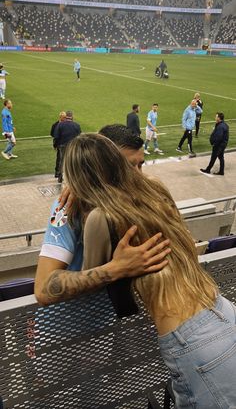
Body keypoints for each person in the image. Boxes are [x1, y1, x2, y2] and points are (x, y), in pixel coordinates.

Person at [63, 133, 236, 409]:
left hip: (191, 340)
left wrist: (113, 265)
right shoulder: (154, 189)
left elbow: (91, 286)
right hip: (221, 309)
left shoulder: (100, 217)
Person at [35, 126, 170, 306]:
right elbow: (43, 289)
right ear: (102, 165)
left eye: (141, 164)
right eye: (128, 166)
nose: (139, 176)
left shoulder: (141, 196)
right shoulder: (67, 207)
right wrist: (117, 268)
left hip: (116, 318)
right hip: (67, 325)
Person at [53, 110, 81, 183]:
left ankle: (60, 177)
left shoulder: (60, 125)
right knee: (73, 160)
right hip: (73, 146)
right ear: (72, 116)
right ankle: (74, 177)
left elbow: (56, 136)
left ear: (66, 116)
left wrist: (55, 145)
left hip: (63, 146)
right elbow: (79, 137)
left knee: (62, 161)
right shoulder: (77, 125)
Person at [50, 111, 66, 178]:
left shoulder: (65, 124)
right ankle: (57, 172)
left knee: (61, 158)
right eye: (63, 117)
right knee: (59, 158)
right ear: (60, 117)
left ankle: (60, 173)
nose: (64, 119)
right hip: (59, 143)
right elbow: (52, 134)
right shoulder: (55, 125)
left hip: (63, 143)